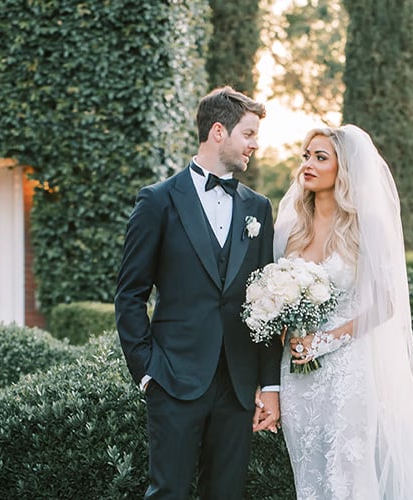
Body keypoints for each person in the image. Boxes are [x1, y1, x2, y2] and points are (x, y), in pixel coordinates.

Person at [273, 124, 413, 499]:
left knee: (349, 476)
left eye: (320, 157)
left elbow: (386, 304)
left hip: (348, 371)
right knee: (309, 476)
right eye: (306, 156)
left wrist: (324, 342)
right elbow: (275, 297)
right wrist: (286, 331)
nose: (308, 165)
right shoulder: (291, 227)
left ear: (344, 169)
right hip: (298, 375)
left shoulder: (366, 225)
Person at [115, 86, 283, 499]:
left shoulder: (257, 208)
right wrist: (147, 370)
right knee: (168, 492)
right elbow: (130, 293)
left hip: (238, 384)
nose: (255, 145)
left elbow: (267, 300)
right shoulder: (157, 201)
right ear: (219, 132)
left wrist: (269, 385)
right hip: (173, 378)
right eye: (249, 134)